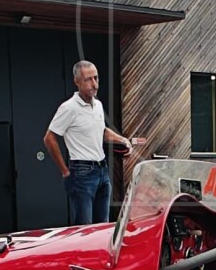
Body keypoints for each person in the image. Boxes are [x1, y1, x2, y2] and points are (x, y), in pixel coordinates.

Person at [42, 61, 144, 226]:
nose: (94, 84)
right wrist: (65, 171)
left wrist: (122, 139)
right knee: (85, 228)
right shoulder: (69, 108)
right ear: (77, 82)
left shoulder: (97, 105)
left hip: (102, 170)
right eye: (88, 79)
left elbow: (102, 131)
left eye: (96, 78)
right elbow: (49, 137)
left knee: (102, 226)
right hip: (81, 172)